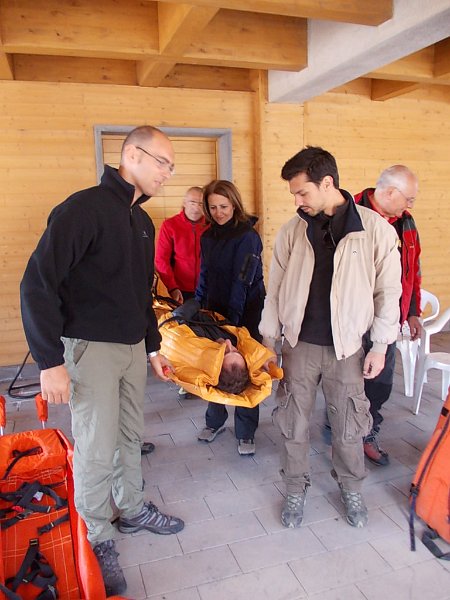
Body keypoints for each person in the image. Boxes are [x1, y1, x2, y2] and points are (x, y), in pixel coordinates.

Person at [20, 125, 184, 597]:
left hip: (132, 348)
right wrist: (49, 361)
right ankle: (96, 534)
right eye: (162, 163)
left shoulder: (142, 220)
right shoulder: (83, 209)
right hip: (89, 349)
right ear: (132, 155)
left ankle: (130, 509)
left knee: (130, 435)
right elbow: (37, 284)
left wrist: (153, 348)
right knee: (95, 444)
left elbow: (141, 294)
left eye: (171, 167)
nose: (167, 174)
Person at [259, 146, 402, 530]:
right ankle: (295, 487)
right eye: (294, 194)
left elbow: (389, 294)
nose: (297, 201)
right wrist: (270, 342)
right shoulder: (291, 232)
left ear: (327, 183)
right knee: (293, 423)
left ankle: (351, 487)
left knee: (349, 424)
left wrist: (381, 346)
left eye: (302, 192)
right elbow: (274, 291)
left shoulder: (375, 230)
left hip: (348, 349)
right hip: (298, 347)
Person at [354, 165, 421, 466]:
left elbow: (413, 270)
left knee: (379, 383)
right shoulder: (351, 213)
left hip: (388, 319)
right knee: (346, 381)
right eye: (409, 199)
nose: (411, 205)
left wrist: (413, 312)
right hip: (353, 320)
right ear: (391, 192)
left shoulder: (406, 223)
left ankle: (368, 432)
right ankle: (341, 430)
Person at [195, 180, 265, 456]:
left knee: (245, 369)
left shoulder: (248, 236)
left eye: (223, 206)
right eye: (213, 208)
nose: (219, 213)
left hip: (246, 311)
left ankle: (246, 431)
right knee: (215, 366)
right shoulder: (208, 236)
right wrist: (198, 307)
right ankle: (214, 421)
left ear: (234, 205)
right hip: (216, 311)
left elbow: (242, 282)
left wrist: (232, 326)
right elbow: (204, 273)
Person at [155, 186, 208, 304]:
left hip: (207, 288)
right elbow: (161, 260)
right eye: (192, 202)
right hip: (180, 290)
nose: (196, 208)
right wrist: (172, 287)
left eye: (200, 204)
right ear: (184, 203)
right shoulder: (170, 225)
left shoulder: (211, 226)